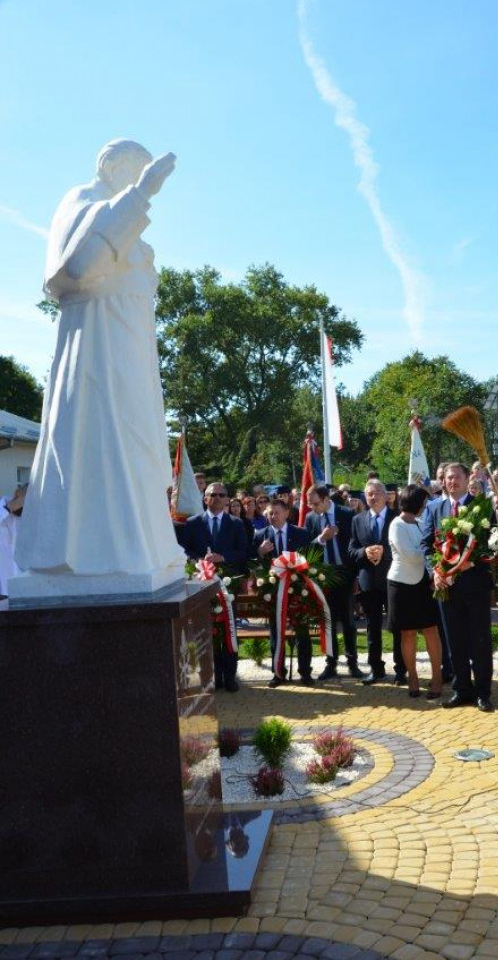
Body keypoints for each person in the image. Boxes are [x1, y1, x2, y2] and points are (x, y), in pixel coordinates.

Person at [14, 139, 186, 591]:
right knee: (100, 435)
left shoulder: (120, 216)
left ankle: (143, 547)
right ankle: (100, 556)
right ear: (111, 166)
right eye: (135, 170)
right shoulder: (81, 200)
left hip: (131, 344)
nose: (140, 178)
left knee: (137, 439)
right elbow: (80, 266)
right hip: (96, 339)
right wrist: (140, 195)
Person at [421, 462, 495, 712]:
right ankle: (461, 689)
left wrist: (468, 563)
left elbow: (490, 544)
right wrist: (435, 572)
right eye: (447, 478)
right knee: (454, 641)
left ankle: (483, 692)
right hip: (446, 587)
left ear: (467, 479)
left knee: (480, 641)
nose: (451, 482)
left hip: (475, 586)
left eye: (456, 477)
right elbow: (425, 544)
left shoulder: (481, 506)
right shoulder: (434, 508)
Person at [181, 483, 249, 692]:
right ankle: (210, 677)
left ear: (227, 499)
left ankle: (229, 677)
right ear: (205, 499)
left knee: (228, 631)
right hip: (201, 585)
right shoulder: (193, 523)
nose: (217, 498)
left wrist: (223, 557)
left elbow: (244, 552)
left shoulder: (236, 523)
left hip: (228, 586)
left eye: (221, 495)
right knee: (205, 632)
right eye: (213, 494)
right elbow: (184, 551)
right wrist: (200, 561)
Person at [387, 484, 443, 699]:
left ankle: (437, 677)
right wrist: (432, 550)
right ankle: (413, 677)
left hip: (423, 584)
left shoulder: (420, 524)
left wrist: (433, 554)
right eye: (424, 502)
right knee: (408, 633)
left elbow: (423, 551)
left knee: (431, 631)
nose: (426, 506)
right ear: (418, 504)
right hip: (401, 585)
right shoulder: (396, 525)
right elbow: (410, 555)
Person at [304, 483, 364, 680]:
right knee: (327, 621)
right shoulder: (311, 518)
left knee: (348, 621)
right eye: (310, 504)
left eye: (315, 503)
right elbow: (307, 549)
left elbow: (356, 546)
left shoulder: (347, 514)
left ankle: (353, 663)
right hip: (324, 575)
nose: (312, 507)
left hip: (345, 573)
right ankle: (331, 664)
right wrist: (321, 539)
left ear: (326, 500)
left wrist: (356, 577)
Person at [348, 479, 407, 685]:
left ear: (386, 495)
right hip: (368, 582)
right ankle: (376, 669)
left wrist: (384, 552)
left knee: (397, 627)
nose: (373, 497)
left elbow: (405, 546)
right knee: (372, 628)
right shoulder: (357, 520)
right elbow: (351, 550)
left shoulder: (397, 517)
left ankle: (401, 670)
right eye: (369, 494)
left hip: (393, 580)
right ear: (365, 497)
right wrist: (364, 552)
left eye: (377, 493)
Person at [253, 497, 313, 686]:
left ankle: (305, 672)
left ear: (287, 513)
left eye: (277, 513)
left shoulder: (301, 534)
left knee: (302, 632)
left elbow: (310, 561)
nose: (273, 516)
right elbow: (252, 563)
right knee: (275, 633)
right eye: (270, 513)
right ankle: (278, 673)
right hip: (273, 592)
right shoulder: (261, 535)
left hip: (297, 591)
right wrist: (260, 552)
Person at [0, 485, 25, 597]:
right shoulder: (3, 510)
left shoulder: (27, 516)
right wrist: (8, 508)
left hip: (24, 590)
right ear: (17, 493)